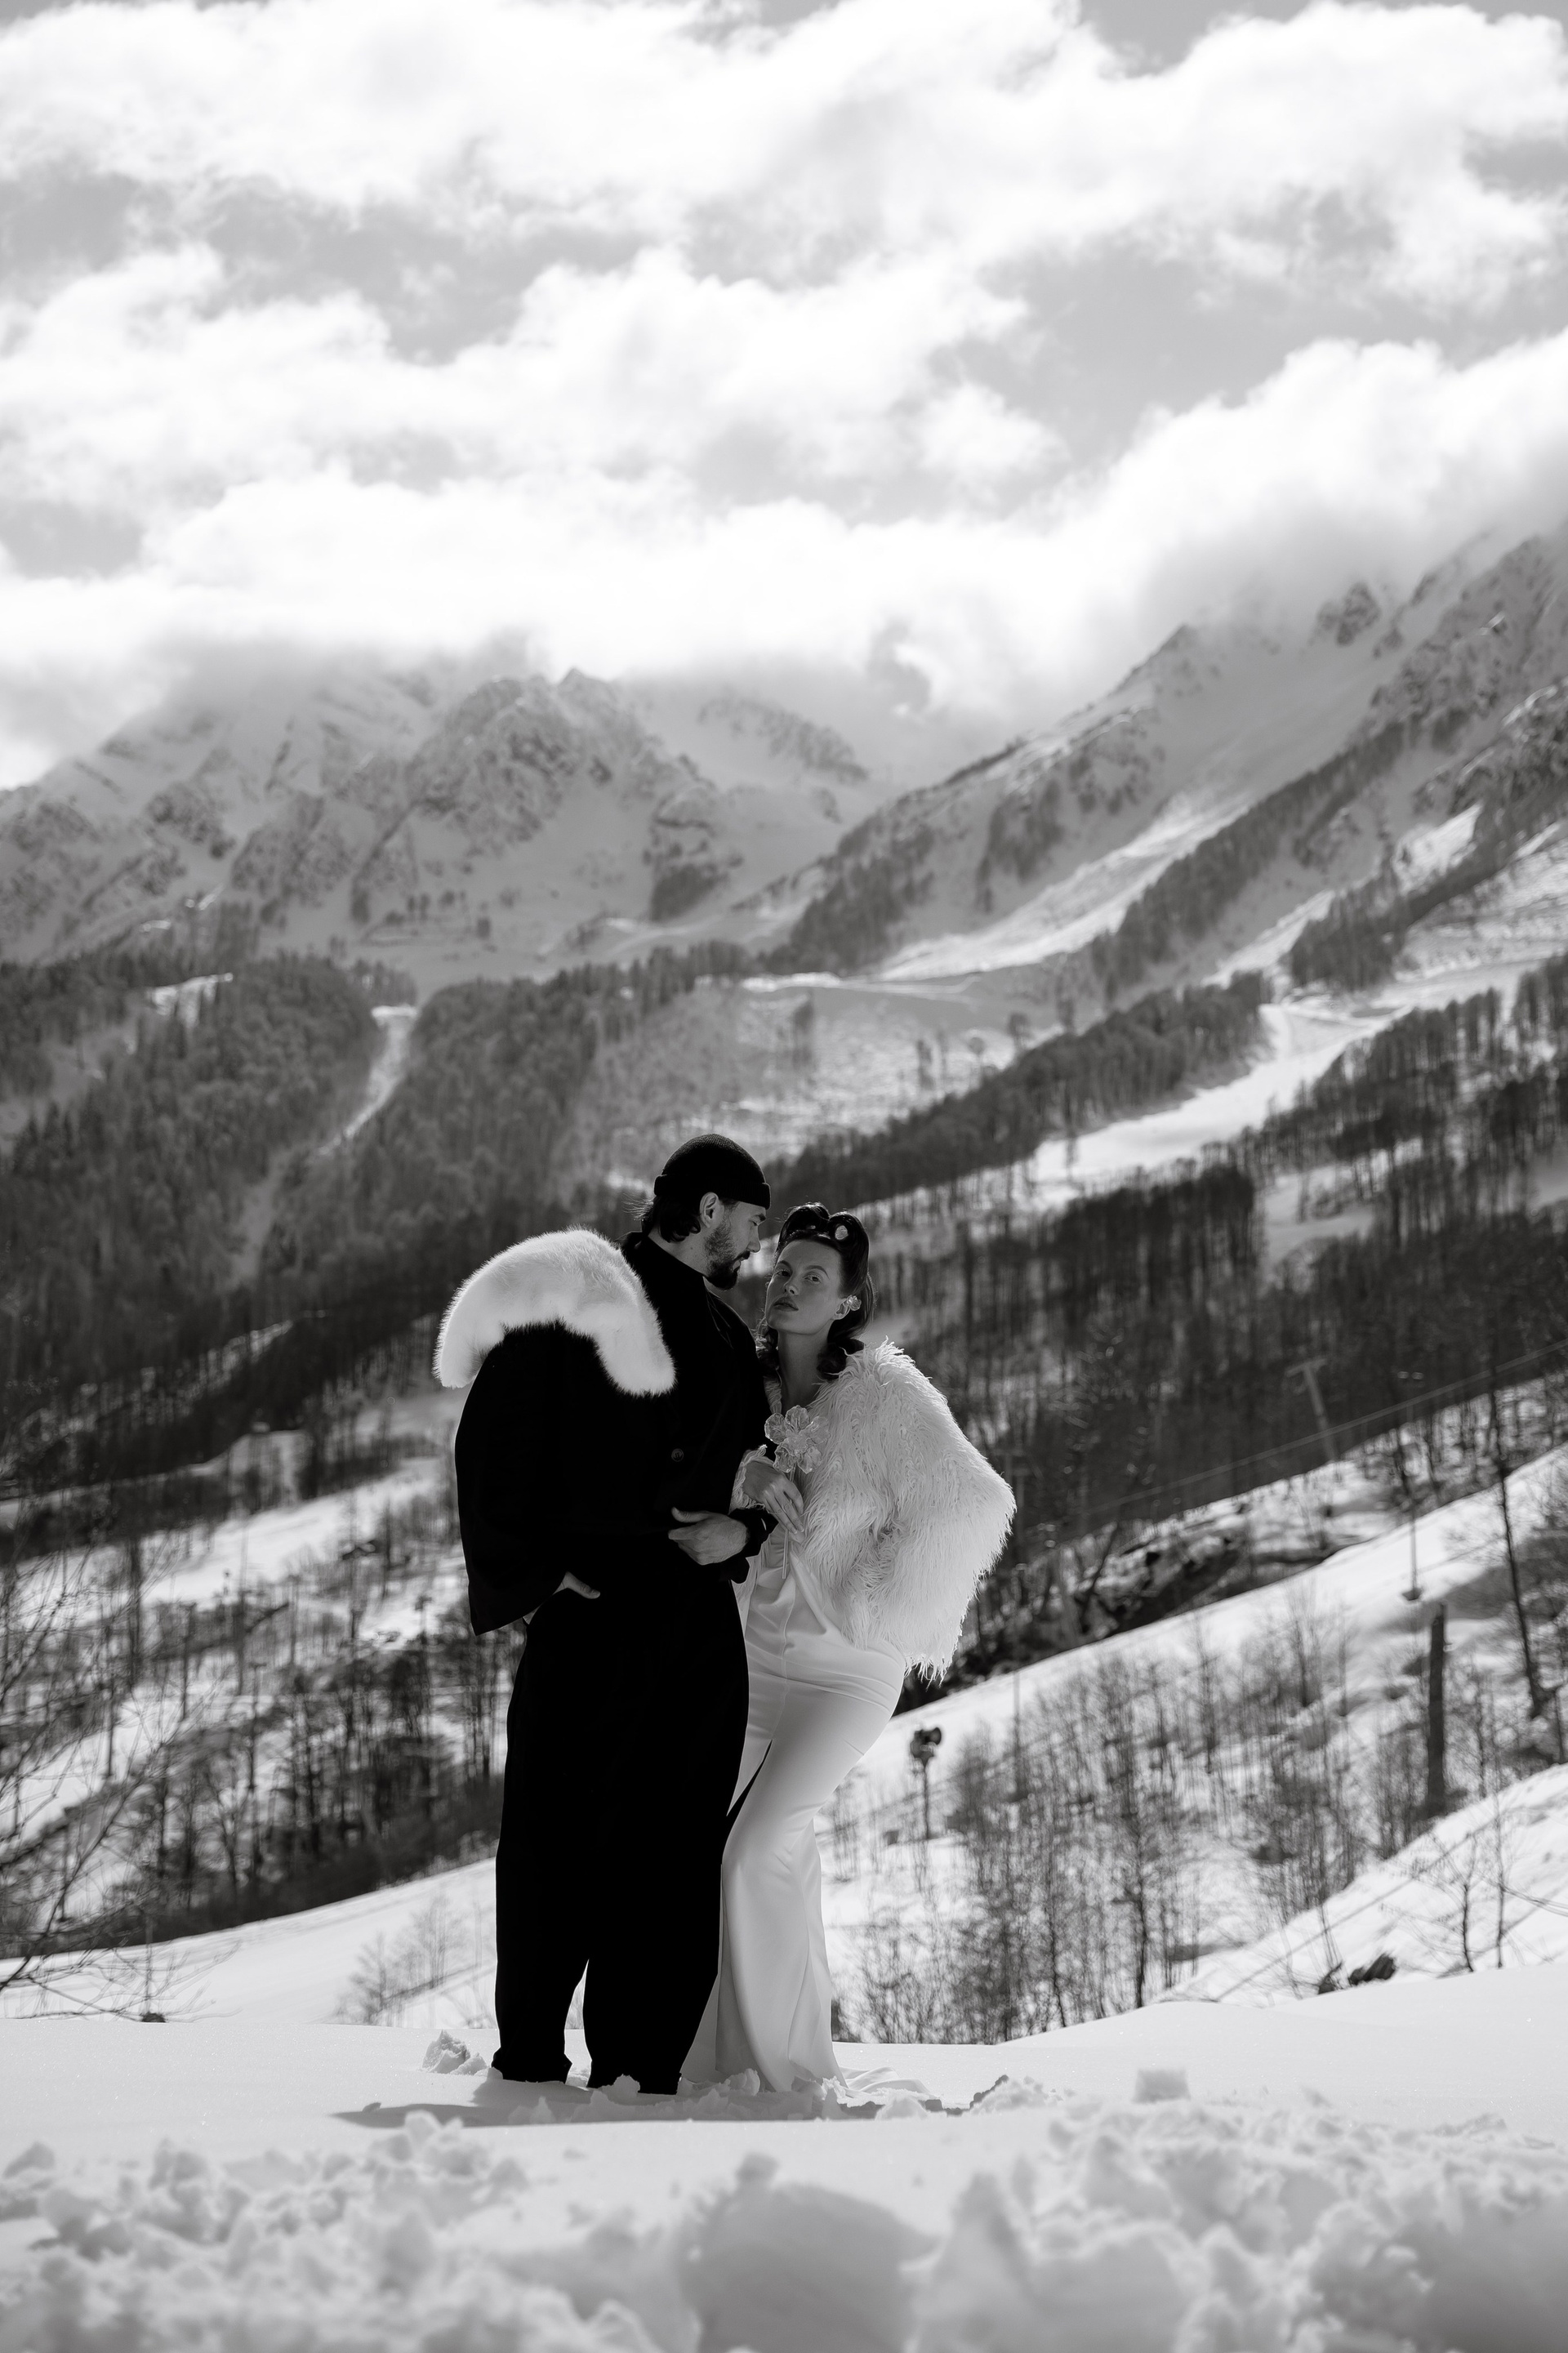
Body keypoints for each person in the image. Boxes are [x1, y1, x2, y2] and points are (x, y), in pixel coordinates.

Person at [434, 1134, 776, 2094]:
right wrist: (540, 1575)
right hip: (595, 1616)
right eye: (751, 1221)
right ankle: (531, 2059)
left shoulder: (725, 1336)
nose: (754, 1243)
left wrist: (742, 1532)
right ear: (709, 1210)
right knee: (557, 1841)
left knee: (673, 1855)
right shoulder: (577, 1302)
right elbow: (491, 1443)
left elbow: (762, 1474)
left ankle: (638, 2069)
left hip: (698, 1635)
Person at [694, 1202, 1014, 2095]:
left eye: (815, 1278)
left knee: (758, 1847)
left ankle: (787, 2072)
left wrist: (873, 1592)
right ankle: (723, 2061)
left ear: (847, 1303)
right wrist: (745, 1471)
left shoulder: (882, 1393)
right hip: (754, 1662)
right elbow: (697, 1467)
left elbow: (975, 1501)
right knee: (714, 1845)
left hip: (845, 1674)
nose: (790, 1287)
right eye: (783, 1270)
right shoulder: (744, 1382)